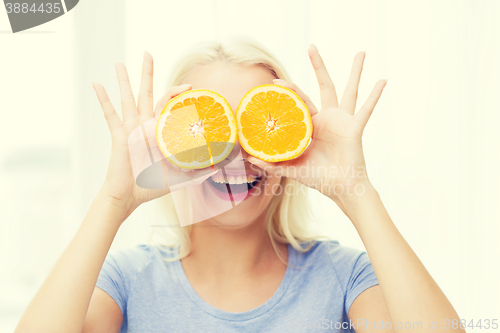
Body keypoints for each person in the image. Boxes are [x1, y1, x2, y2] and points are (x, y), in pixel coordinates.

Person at [15, 37, 464, 333]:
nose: (233, 157)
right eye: (211, 129)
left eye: (255, 126)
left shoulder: (344, 277)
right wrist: (113, 200)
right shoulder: (127, 280)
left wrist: (356, 193)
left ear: (291, 140)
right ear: (170, 143)